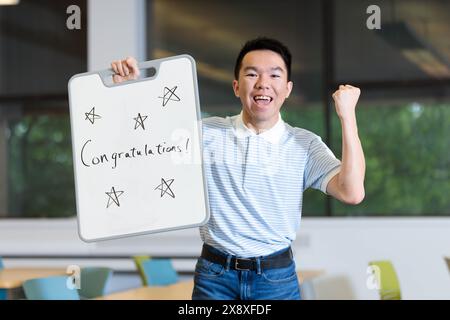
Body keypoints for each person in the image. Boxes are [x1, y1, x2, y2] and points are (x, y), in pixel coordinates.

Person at [111, 37, 365, 300]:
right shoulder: (205, 133)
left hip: (275, 278)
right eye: (252, 74)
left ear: (288, 88)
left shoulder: (306, 144)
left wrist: (348, 117)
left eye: (274, 75)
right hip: (215, 277)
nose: (263, 83)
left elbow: (352, 192)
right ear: (236, 86)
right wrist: (127, 93)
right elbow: (141, 153)